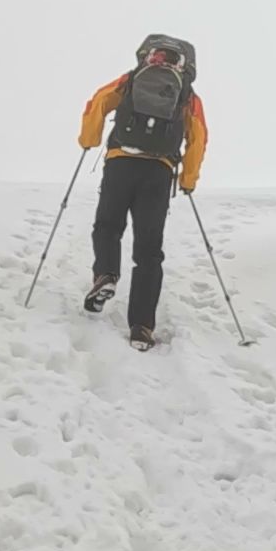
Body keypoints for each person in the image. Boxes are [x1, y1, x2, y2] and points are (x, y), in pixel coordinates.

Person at [78, 34, 207, 350]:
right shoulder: (188, 94)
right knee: (149, 250)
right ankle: (142, 327)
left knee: (108, 226)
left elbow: (98, 102)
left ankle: (106, 274)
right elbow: (199, 137)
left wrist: (89, 139)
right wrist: (188, 179)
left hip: (121, 162)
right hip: (159, 171)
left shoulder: (131, 79)